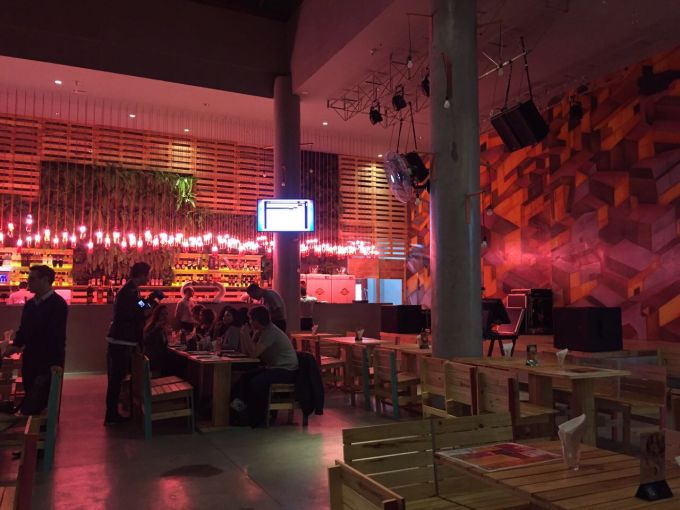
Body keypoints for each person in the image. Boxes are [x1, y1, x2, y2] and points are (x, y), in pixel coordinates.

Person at [9, 265, 67, 415]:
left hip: (46, 361)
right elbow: (24, 330)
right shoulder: (30, 304)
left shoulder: (58, 304)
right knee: (31, 394)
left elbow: (57, 335)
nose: (28, 282)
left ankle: (39, 426)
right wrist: (15, 345)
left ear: (45, 280)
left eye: (32, 279)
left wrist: (56, 362)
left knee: (40, 401)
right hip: (30, 358)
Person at [231, 306, 298, 427]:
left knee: (256, 382)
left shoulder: (271, 332)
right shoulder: (261, 331)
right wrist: (243, 335)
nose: (249, 322)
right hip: (274, 368)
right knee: (244, 378)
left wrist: (246, 335)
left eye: (250, 319)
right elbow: (247, 352)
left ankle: (258, 417)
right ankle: (240, 412)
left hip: (286, 370)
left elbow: (254, 353)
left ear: (256, 320)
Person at [104, 262, 153, 424]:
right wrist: (149, 305)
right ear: (142, 275)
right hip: (122, 340)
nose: (149, 278)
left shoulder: (131, 290)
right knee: (117, 378)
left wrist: (149, 302)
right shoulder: (130, 292)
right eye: (148, 274)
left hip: (122, 339)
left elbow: (140, 306)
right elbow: (138, 312)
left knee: (118, 378)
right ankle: (111, 415)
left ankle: (113, 413)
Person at [143, 305, 169, 374]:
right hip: (154, 361)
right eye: (162, 314)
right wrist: (155, 329)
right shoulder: (152, 326)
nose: (165, 316)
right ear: (157, 315)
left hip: (160, 360)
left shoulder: (162, 328)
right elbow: (145, 340)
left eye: (166, 314)